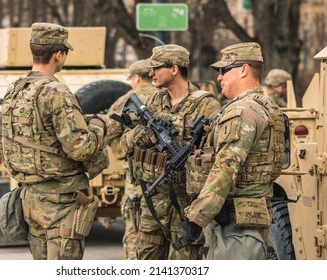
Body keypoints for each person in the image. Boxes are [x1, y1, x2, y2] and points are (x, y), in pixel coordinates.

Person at [0, 22, 107, 260]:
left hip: (31, 197)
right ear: (59, 54)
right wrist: (99, 126)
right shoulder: (56, 92)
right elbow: (80, 148)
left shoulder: (14, 90)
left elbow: (5, 140)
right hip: (60, 203)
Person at [183, 42, 285, 259]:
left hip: (235, 226)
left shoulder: (243, 110)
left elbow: (226, 167)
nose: (219, 77)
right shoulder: (266, 105)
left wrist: (196, 216)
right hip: (246, 218)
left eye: (223, 70)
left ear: (244, 70)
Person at [120, 44, 221, 260]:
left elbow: (218, 155)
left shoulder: (206, 106)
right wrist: (140, 136)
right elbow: (124, 143)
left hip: (186, 204)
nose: (150, 73)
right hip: (153, 201)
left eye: (156, 68)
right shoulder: (153, 102)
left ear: (174, 69)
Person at [105, 58, 157, 260]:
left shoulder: (126, 100)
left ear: (136, 78)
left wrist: (123, 153)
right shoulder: (167, 95)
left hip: (137, 179)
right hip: (169, 176)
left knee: (136, 230)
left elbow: (109, 131)